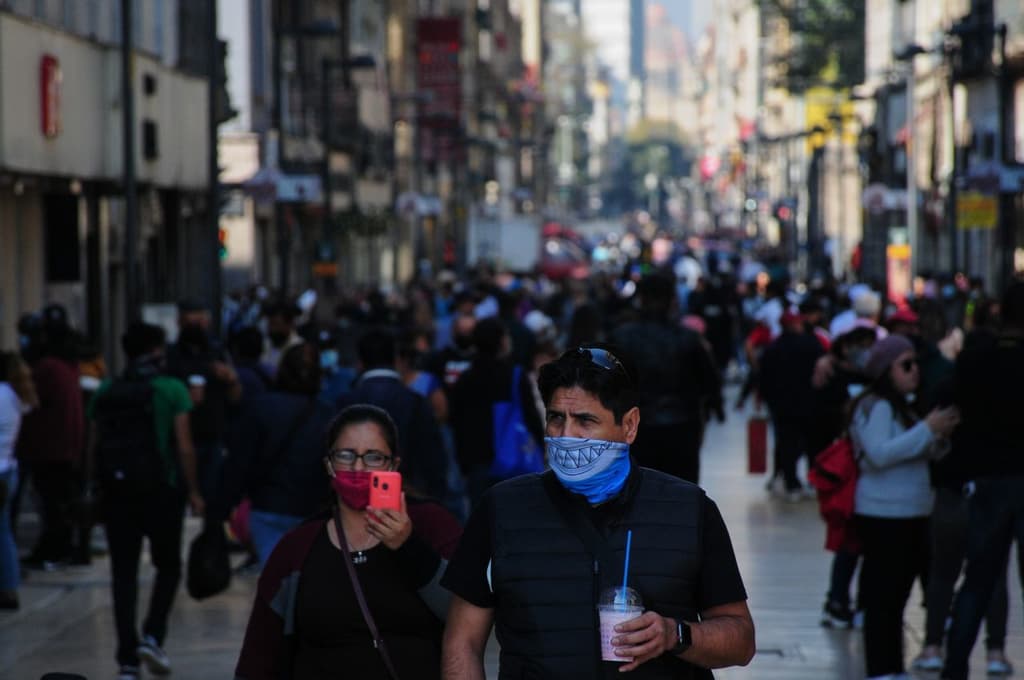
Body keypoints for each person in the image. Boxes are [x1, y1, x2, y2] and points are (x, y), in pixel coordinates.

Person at [441, 346, 755, 679]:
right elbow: (463, 642)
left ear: (629, 425)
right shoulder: (502, 509)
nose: (566, 435)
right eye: (556, 418)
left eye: (585, 421)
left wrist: (675, 634)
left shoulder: (689, 510)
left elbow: (741, 640)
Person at [234, 405, 462, 680]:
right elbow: (259, 654)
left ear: (393, 465)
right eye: (346, 455)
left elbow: (465, 616)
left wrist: (409, 547)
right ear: (329, 464)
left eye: (373, 457)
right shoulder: (298, 546)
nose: (358, 467)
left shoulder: (432, 525)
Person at [86, 322, 204, 680]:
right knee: (168, 566)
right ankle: (152, 636)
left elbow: (93, 445)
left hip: (117, 494)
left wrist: (94, 486)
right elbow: (184, 445)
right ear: (156, 350)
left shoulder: (106, 390)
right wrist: (194, 490)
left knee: (123, 574)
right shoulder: (172, 389)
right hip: (162, 492)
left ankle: (126, 660)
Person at [850, 335, 959, 680]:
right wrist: (927, 430)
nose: (914, 371)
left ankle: (892, 666)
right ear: (886, 369)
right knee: (884, 596)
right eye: (906, 365)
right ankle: (881, 668)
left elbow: (910, 450)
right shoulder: (877, 405)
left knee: (897, 596)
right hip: (884, 514)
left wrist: (935, 437)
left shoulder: (903, 405)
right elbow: (879, 454)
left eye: (916, 364)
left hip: (911, 512)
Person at [942, 281, 1024, 680]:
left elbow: (952, 407)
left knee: (977, 580)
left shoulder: (975, 360)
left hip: (987, 480)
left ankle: (954, 666)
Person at [213, 343, 338, 566]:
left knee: (274, 575)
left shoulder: (261, 408)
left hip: (267, 506)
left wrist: (222, 507)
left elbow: (239, 463)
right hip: (310, 509)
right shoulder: (329, 415)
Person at [611, 273, 722, 484]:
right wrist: (712, 408)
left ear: (640, 299)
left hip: (636, 430)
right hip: (682, 426)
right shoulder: (689, 339)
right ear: (673, 300)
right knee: (681, 490)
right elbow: (709, 381)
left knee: (638, 491)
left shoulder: (621, 338)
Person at [341, 328, 450, 505]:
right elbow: (433, 459)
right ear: (396, 359)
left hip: (355, 499)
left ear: (360, 363)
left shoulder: (345, 401)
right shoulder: (415, 401)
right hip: (409, 498)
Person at [15, 304, 85, 569]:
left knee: (53, 502)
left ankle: (55, 549)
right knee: (56, 501)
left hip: (50, 447)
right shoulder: (67, 364)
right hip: (62, 445)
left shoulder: (48, 368)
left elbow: (30, 403)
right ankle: (59, 547)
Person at [449, 317, 545, 507]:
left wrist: (463, 463)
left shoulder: (465, 379)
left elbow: (457, 423)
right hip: (513, 459)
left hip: (476, 461)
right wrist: (540, 447)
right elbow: (531, 416)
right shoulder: (515, 375)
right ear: (501, 341)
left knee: (483, 517)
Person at [164, 299, 242, 503]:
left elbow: (235, 397)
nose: (196, 328)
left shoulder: (218, 352)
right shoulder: (171, 355)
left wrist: (231, 379)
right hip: (179, 438)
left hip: (212, 435)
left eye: (199, 323)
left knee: (213, 496)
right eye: (190, 323)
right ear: (180, 322)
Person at [759, 307, 825, 500]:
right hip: (810, 404)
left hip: (783, 407)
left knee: (786, 444)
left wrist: (768, 400)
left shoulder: (773, 348)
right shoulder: (812, 345)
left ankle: (791, 483)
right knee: (813, 443)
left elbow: (764, 378)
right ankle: (813, 480)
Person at [0, 351, 37, 609]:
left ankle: (8, 586)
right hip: (8, 467)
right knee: (4, 532)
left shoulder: (2, 394)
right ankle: (9, 586)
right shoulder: (16, 397)